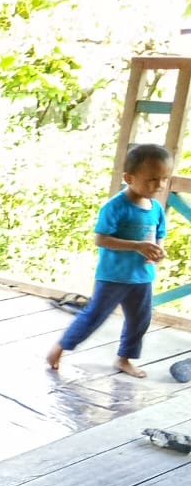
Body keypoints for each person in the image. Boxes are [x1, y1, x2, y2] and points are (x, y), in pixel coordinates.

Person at [48, 144, 171, 378]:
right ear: (129, 178)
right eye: (152, 179)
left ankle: (124, 359)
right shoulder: (115, 207)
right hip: (113, 276)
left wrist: (158, 251)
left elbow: (160, 234)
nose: (160, 185)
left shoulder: (156, 208)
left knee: (140, 320)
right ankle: (61, 347)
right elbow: (101, 239)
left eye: (164, 179)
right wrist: (137, 246)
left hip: (142, 277)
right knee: (95, 315)